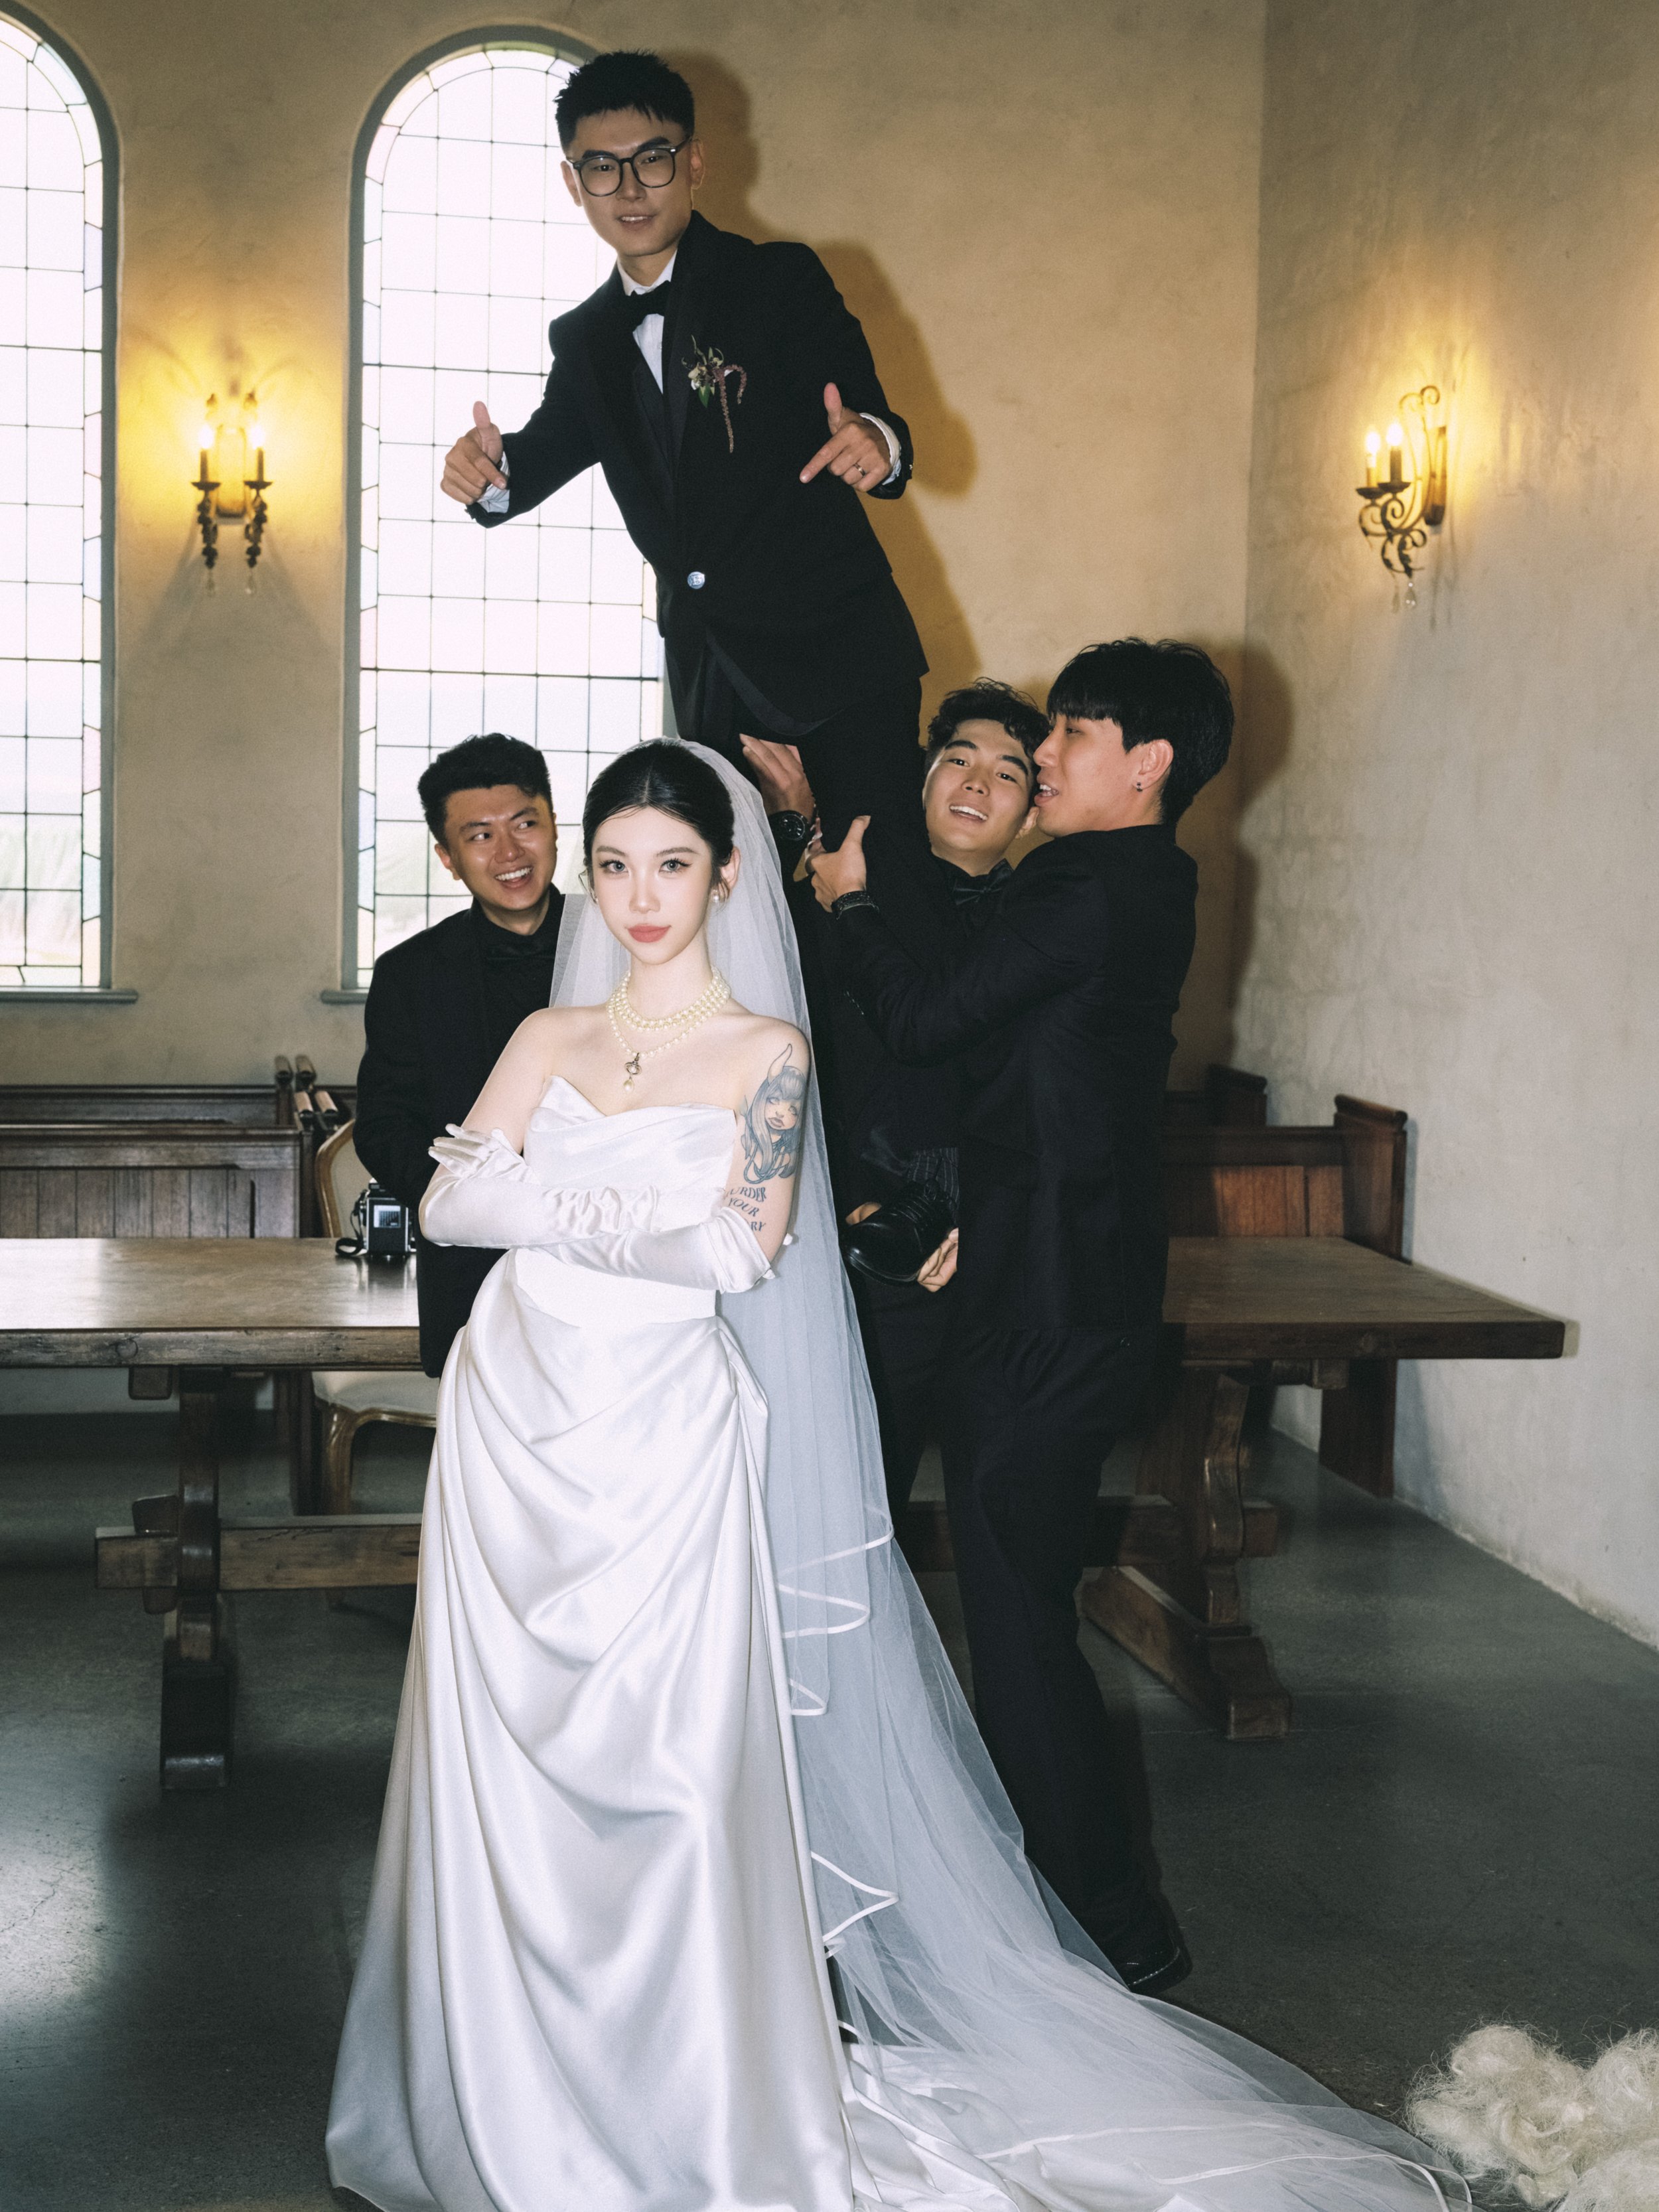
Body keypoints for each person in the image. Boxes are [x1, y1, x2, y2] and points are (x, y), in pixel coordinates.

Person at [327, 737, 1459, 2212]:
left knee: (669, 1758)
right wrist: (599, 1207)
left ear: (726, 874)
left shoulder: (767, 1054)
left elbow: (738, 1244)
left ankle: (681, 2086)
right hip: (514, 1421)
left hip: (661, 1424)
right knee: (501, 1755)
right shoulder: (548, 1032)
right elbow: (445, 1199)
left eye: (671, 863)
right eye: (613, 865)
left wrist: (549, 1199)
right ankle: (507, 2075)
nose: (639, 894)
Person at [810, 638, 1233, 1996]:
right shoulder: (1137, 879)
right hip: (1059, 1288)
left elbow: (928, 1018)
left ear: (1145, 762)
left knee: (1019, 1626)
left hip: (1046, 1311)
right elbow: (1014, 1073)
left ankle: (1109, 1922)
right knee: (1020, 1613)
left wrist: (850, 901)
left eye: (1068, 735)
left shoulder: (1082, 884)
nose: (1043, 757)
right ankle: (1087, 1907)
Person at [439, 48, 934, 887]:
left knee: (877, 897)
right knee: (736, 912)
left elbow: (865, 413)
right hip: (712, 683)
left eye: (652, 159)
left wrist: (878, 444)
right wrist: (488, 475)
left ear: (694, 162)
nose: (629, 189)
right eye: (602, 167)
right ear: (572, 183)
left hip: (839, 659)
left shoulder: (777, 279)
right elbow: (536, 456)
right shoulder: (584, 340)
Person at [746, 681, 1046, 1525]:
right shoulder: (840, 893)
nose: (976, 782)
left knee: (944, 1500)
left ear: (1032, 812)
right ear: (923, 780)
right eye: (958, 759)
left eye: (1008, 772)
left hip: (970, 1252)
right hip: (838, 1231)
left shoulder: (1039, 927)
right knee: (814, 1491)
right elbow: (776, 1052)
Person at [353, 733, 563, 1376]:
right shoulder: (409, 974)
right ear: (447, 858)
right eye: (480, 836)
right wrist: (465, 1204)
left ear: (555, 826)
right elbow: (383, 1125)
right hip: (473, 1268)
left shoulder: (628, 948)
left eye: (525, 824)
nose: (509, 852)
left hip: (609, 1257)